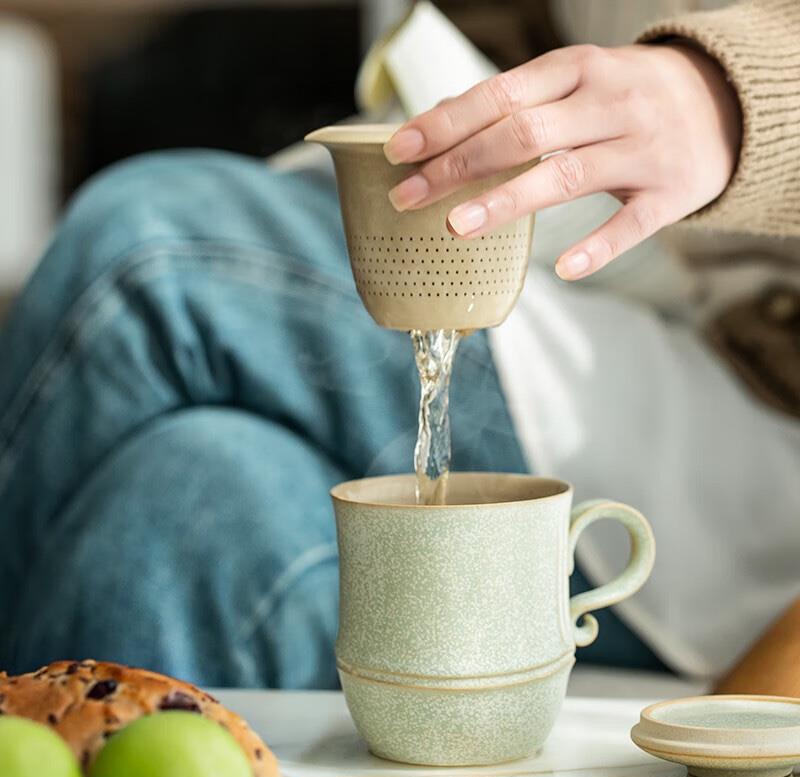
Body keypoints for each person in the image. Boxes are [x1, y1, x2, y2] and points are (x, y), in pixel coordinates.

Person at [1, 0, 798, 687]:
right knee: (184, 497)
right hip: (609, 286)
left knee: (143, 258)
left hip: (755, 412)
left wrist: (732, 96)